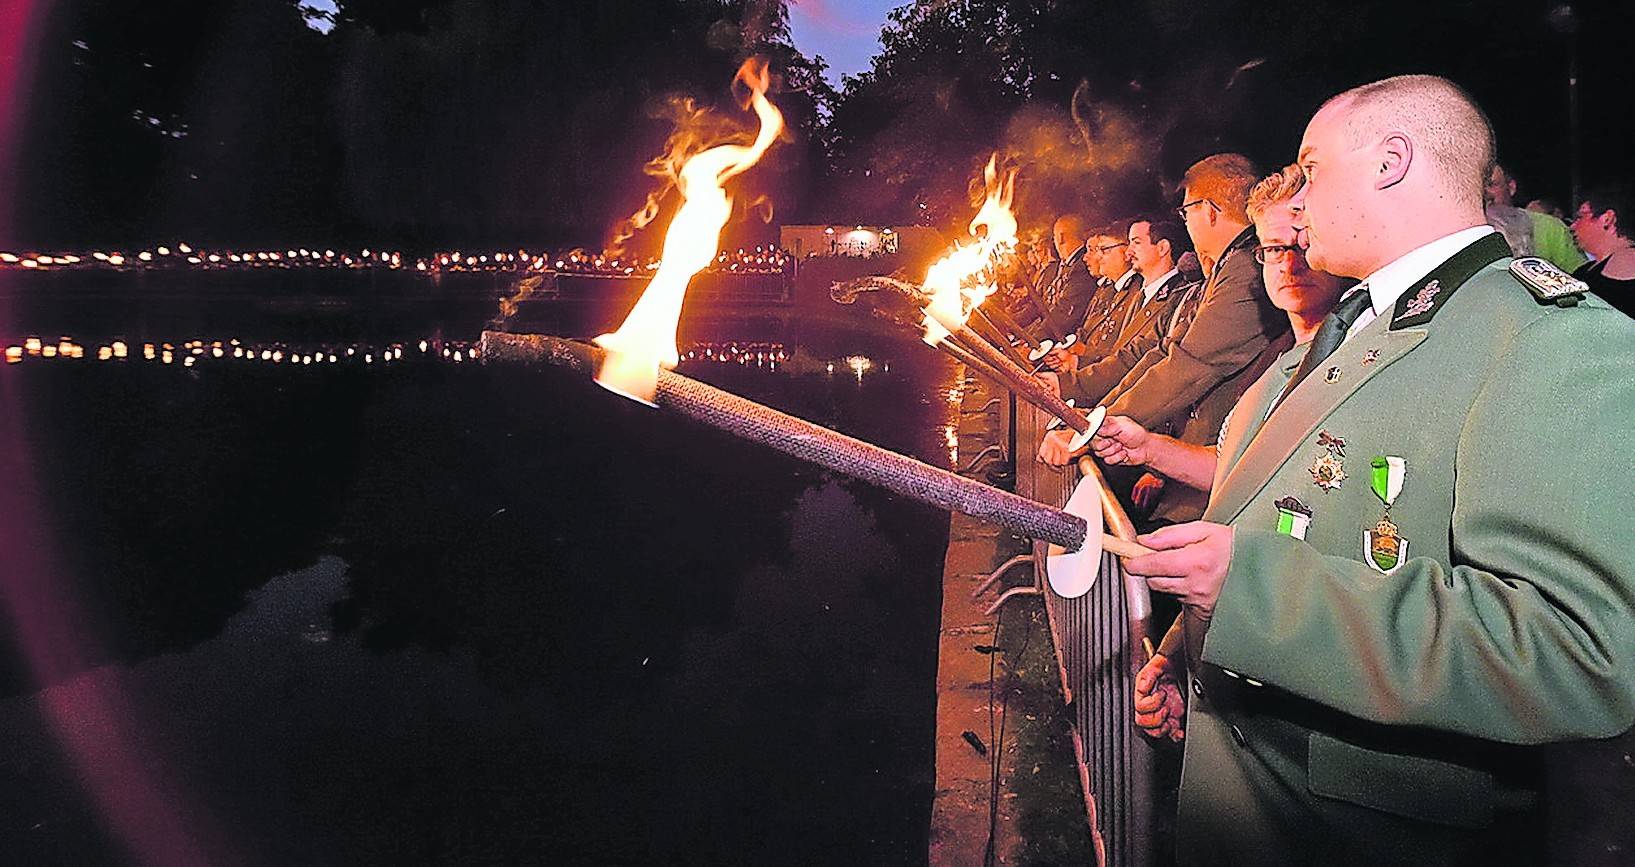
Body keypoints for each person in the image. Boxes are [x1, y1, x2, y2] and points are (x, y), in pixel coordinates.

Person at [1122, 74, 1635, 866]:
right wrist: (1189, 648)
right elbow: (1268, 515)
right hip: (1254, 806)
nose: (1295, 204)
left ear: (1391, 161)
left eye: (1310, 170)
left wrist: (1250, 594)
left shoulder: (1549, 339)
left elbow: (1575, 651)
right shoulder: (1353, 326)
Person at [1040, 164, 1348, 490]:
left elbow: (1190, 364)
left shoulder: (1242, 269)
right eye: (1273, 250)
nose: (1289, 265)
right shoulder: (1224, 276)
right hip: (1195, 460)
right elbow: (1158, 353)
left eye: (1303, 245)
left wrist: (1095, 426)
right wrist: (1102, 420)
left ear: (1209, 211)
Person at [1484, 163, 1587, 272]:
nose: (1485, 193)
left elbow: (1577, 275)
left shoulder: (1549, 227)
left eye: (1491, 185)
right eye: (1478, 187)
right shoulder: (1471, 230)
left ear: (1511, 187)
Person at [1570, 184, 1635, 317]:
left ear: (1607, 218)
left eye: (1581, 217)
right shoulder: (1586, 270)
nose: (1573, 226)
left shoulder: (1625, 260)